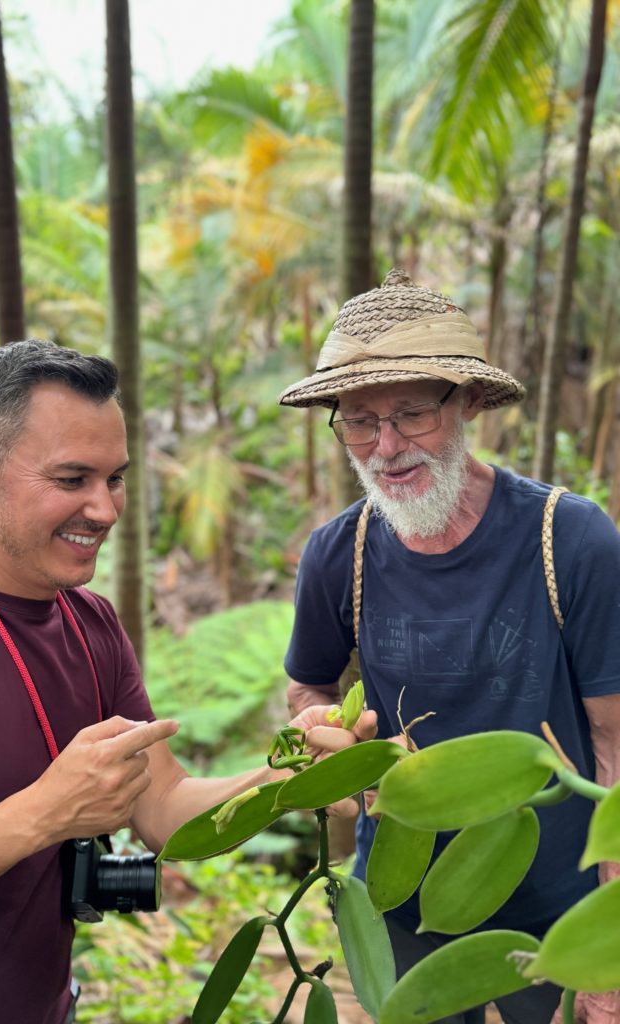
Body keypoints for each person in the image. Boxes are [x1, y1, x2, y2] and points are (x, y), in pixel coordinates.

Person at [0, 339, 376, 1024]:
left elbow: (164, 807)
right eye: (72, 480)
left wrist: (290, 781)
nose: (104, 509)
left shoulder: (90, 624)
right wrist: (42, 814)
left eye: (116, 479)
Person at [279, 269, 620, 1024]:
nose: (387, 447)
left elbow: (615, 747)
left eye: (410, 414)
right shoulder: (340, 555)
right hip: (402, 898)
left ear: (467, 402)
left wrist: (608, 954)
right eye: (359, 422)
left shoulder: (571, 540)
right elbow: (309, 687)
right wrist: (322, 729)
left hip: (560, 907)